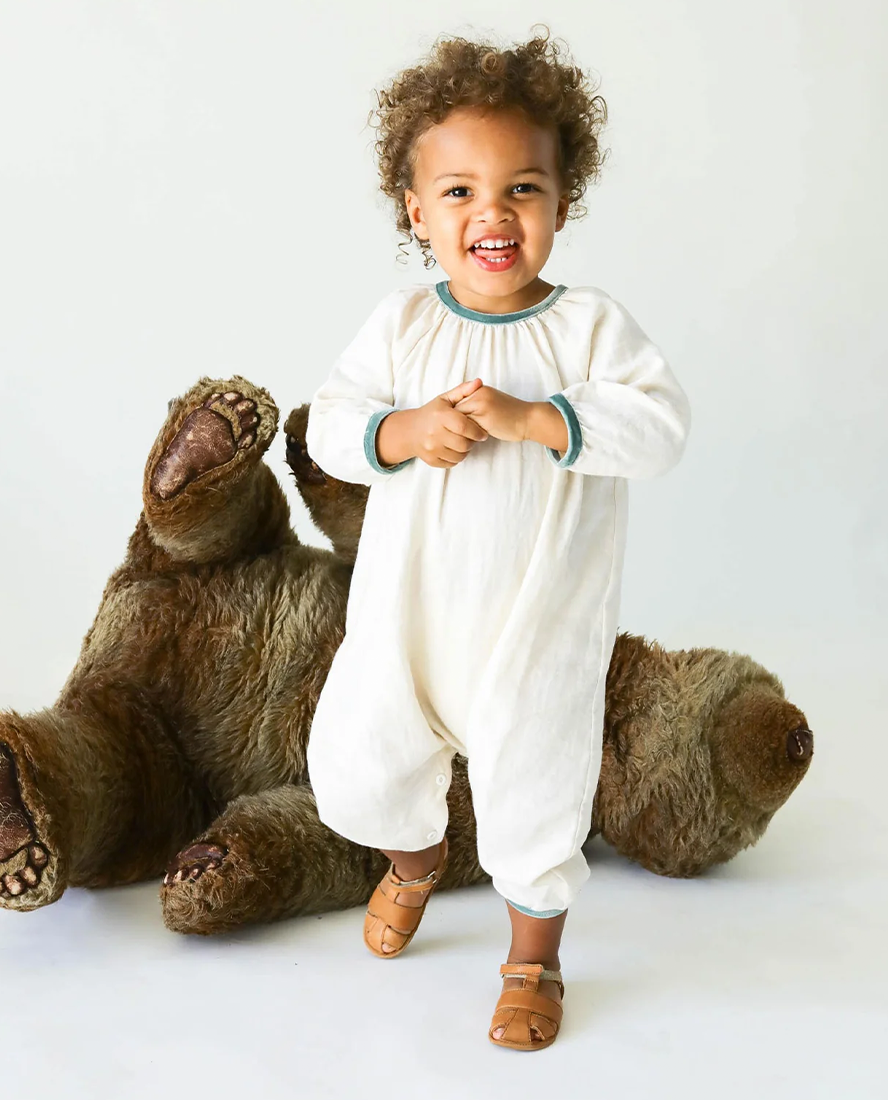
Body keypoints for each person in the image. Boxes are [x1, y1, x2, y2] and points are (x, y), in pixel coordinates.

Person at [305, 27, 691, 1052]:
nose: (493, 213)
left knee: (535, 798)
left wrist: (537, 419)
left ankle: (533, 959)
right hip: (409, 622)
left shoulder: (590, 330)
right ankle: (415, 861)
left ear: (562, 202)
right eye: (461, 191)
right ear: (416, 211)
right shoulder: (402, 326)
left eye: (523, 188)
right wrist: (403, 430)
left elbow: (660, 428)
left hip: (537, 626)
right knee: (367, 762)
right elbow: (330, 425)